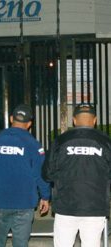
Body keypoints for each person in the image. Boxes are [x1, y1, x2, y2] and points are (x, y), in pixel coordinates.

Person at [0, 104, 50, 247]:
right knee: (21, 243)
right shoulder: (33, 144)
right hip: (24, 202)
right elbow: (41, 173)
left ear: (11, 118)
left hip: (0, 200)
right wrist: (45, 196)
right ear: (29, 124)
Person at [42, 103, 111, 247]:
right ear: (94, 120)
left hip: (65, 206)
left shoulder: (61, 140)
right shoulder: (106, 142)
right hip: (95, 206)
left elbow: (47, 174)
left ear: (74, 120)